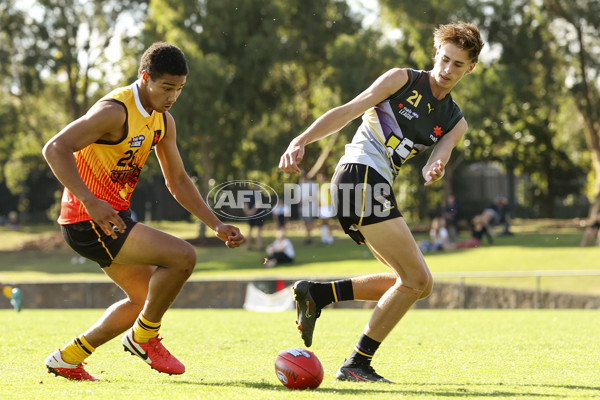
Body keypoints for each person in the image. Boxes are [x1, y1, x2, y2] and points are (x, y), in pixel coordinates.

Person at [279, 22, 483, 382]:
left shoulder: (455, 120)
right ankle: (357, 364)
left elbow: (443, 151)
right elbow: (350, 109)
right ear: (436, 52)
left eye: (458, 65)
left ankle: (319, 294)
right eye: (445, 59)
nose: (447, 70)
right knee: (418, 279)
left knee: (406, 282)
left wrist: (436, 166)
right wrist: (302, 139)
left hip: (370, 187)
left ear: (471, 68)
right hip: (360, 177)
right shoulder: (402, 79)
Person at [42, 42, 245, 381]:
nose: (172, 96)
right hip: (88, 219)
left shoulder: (163, 122)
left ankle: (67, 358)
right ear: (145, 77)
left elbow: (178, 180)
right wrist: (90, 200)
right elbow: (55, 147)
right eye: (166, 87)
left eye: (179, 89)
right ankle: (143, 337)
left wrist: (216, 224)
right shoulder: (115, 111)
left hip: (111, 218)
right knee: (183, 256)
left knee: (143, 299)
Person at [243, 183, 265, 251]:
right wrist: (252, 211)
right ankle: (259, 246)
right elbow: (257, 204)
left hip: (250, 215)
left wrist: (247, 212)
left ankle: (248, 246)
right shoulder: (260, 194)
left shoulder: (248, 194)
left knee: (250, 229)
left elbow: (245, 204)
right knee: (258, 230)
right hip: (258, 214)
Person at [298, 172, 318, 244]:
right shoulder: (300, 185)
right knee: (305, 222)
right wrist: (299, 201)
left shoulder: (311, 184)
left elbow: (314, 194)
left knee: (309, 221)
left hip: (309, 207)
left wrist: (306, 200)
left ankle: (310, 237)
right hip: (303, 208)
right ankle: (307, 236)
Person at [317, 173, 335, 245]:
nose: (320, 179)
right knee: (323, 223)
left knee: (327, 222)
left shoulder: (328, 185)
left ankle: (330, 239)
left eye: (321, 177)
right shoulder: (320, 186)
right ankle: (324, 238)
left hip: (327, 207)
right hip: (322, 207)